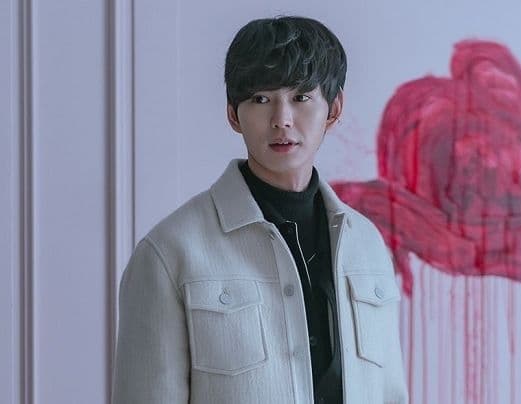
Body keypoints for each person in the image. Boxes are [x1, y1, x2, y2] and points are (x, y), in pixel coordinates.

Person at [111, 16, 408, 404]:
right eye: (261, 99)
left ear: (334, 109)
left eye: (301, 98)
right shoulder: (170, 253)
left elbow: (391, 393)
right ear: (234, 114)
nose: (281, 120)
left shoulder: (367, 245)